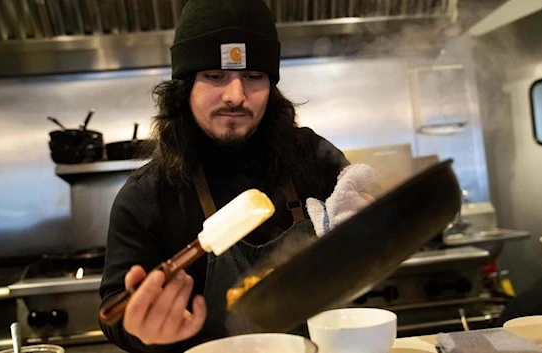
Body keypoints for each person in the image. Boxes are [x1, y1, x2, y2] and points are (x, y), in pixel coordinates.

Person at [98, 0, 352, 351]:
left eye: (253, 76)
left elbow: (371, 238)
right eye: (215, 76)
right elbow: (114, 307)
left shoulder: (310, 156)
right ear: (185, 86)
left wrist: (371, 218)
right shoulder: (147, 196)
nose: (236, 96)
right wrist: (143, 328)